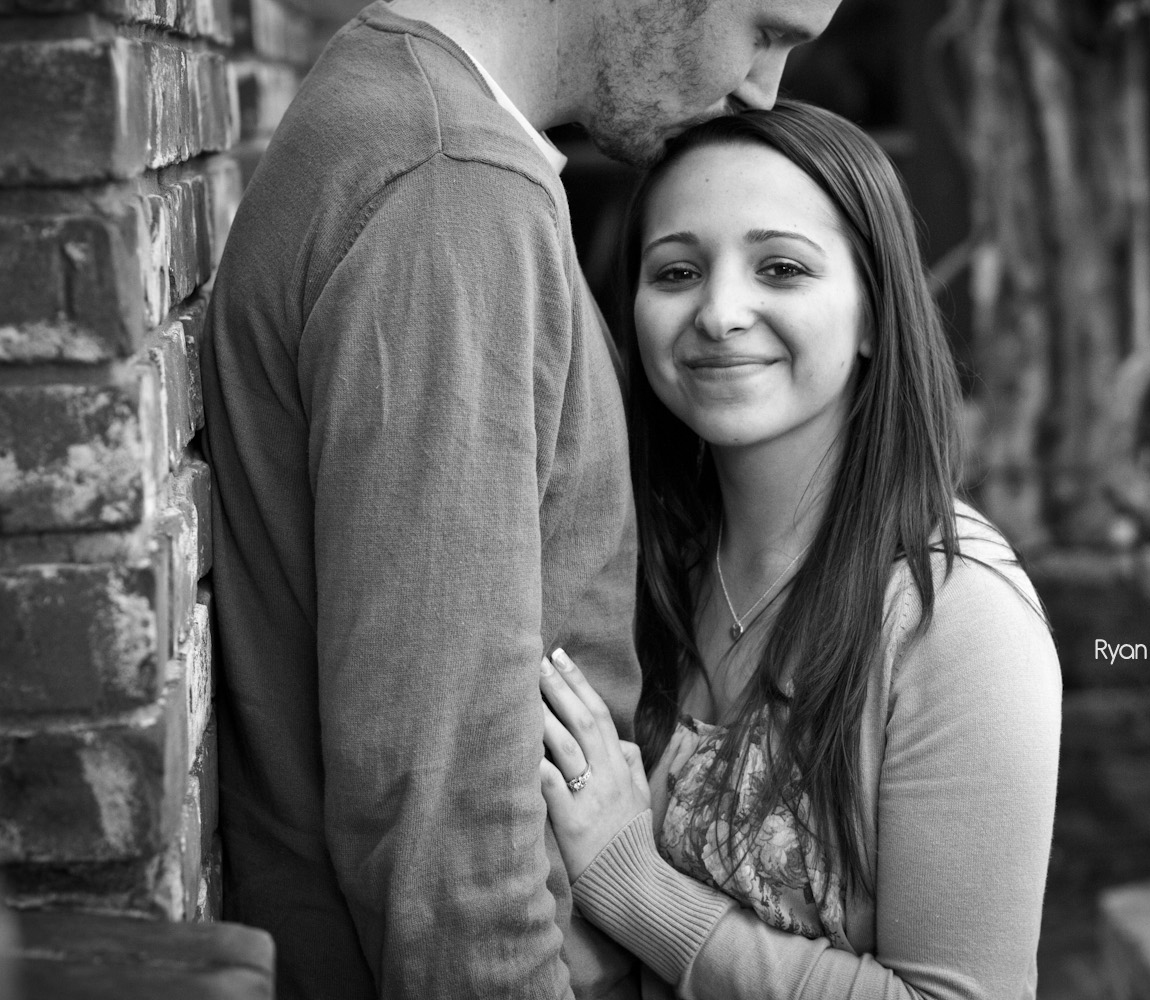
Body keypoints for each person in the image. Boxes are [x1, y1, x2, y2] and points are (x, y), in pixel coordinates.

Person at [199, 0, 841, 996]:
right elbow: (443, 803)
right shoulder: (453, 189)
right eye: (768, 29)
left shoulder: (419, 132)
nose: (765, 88)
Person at [537, 101, 1063, 1000]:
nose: (719, 312)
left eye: (780, 268)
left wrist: (636, 887)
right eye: (676, 272)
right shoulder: (639, 565)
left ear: (873, 316)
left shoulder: (955, 616)